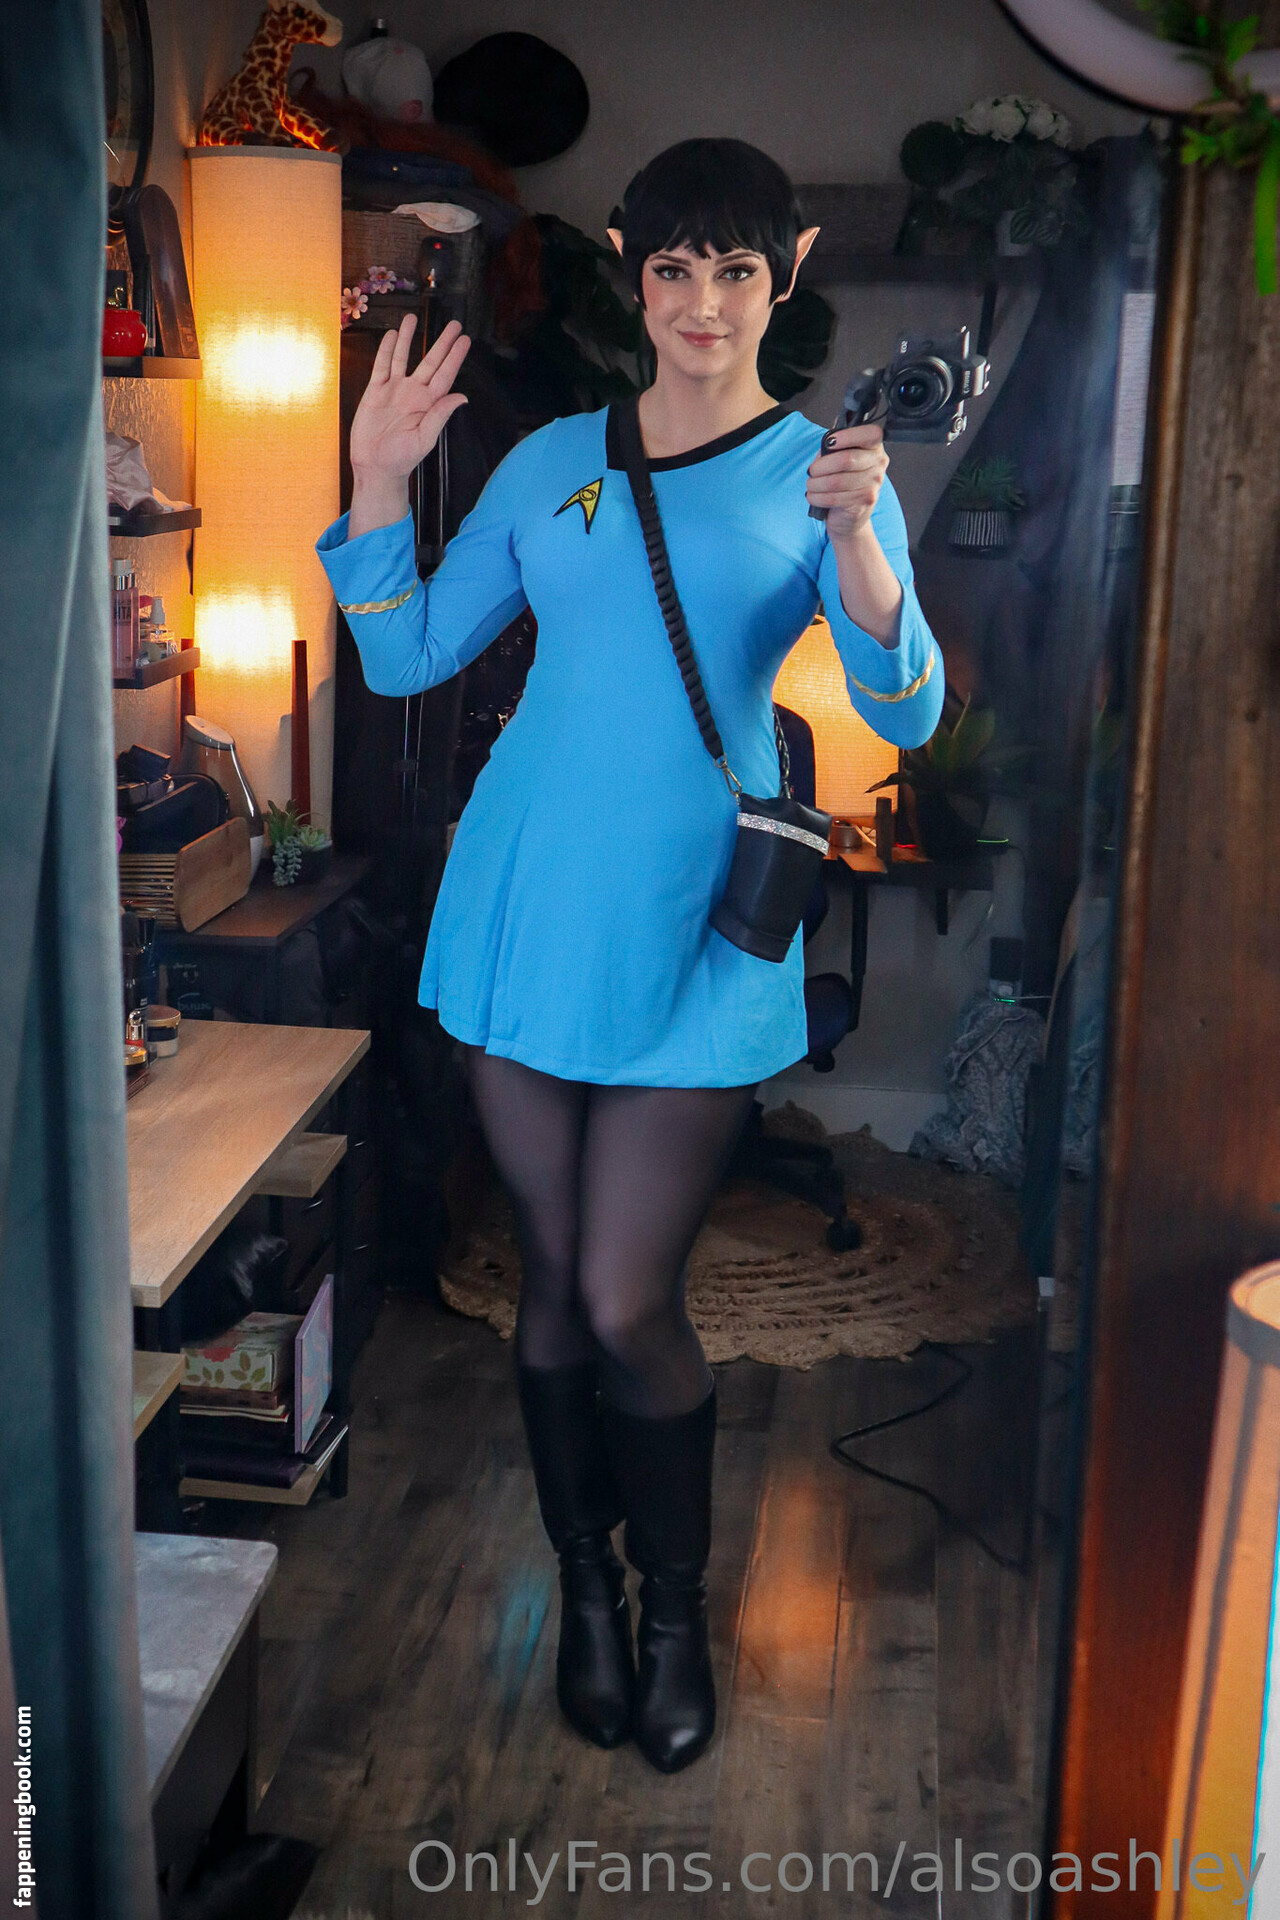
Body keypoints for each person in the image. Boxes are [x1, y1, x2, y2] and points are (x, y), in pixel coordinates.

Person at [315, 138, 943, 1774]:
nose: (703, 304)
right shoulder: (551, 464)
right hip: (525, 914)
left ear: (787, 271)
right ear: (627, 265)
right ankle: (584, 1594)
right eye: (673, 269)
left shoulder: (820, 472)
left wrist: (863, 551)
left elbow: (905, 712)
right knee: (548, 1285)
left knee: (619, 1292)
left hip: (698, 936)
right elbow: (409, 655)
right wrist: (376, 488)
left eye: (736, 270)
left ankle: (672, 1612)